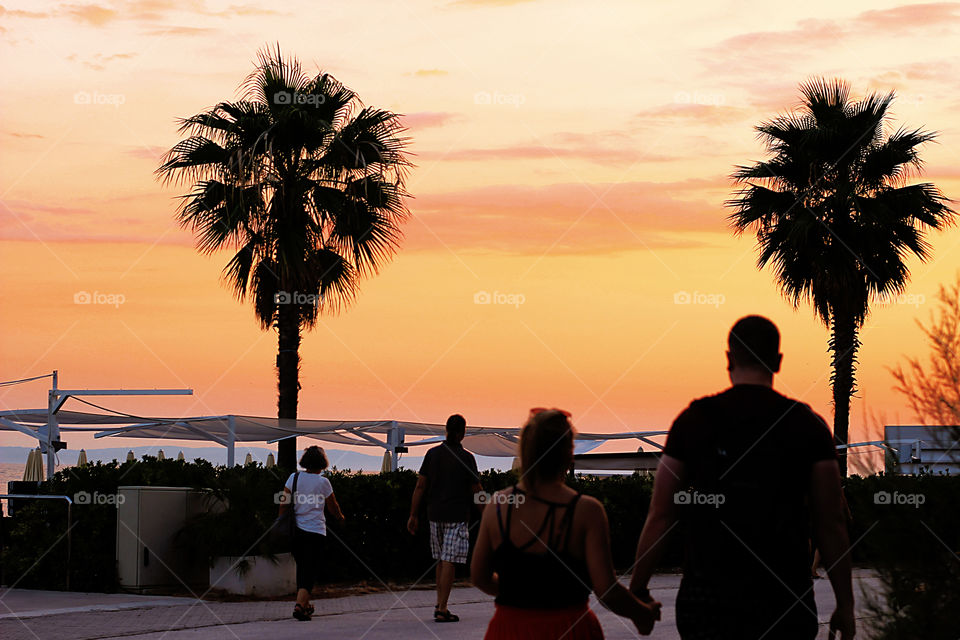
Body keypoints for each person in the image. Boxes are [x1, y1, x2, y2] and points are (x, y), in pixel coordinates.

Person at [628, 315, 855, 640]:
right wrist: (845, 606)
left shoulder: (693, 421)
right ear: (777, 362)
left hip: (707, 603)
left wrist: (637, 590)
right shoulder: (808, 426)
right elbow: (831, 521)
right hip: (784, 603)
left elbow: (661, 514)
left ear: (729, 359)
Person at [472, 408, 661, 639]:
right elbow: (607, 591)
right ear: (569, 455)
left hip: (509, 628)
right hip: (570, 628)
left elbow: (479, 576)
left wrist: (521, 593)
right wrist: (642, 613)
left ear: (525, 453)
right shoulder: (586, 511)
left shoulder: (498, 506)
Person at [407, 414, 482, 622]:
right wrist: (487, 514)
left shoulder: (432, 454)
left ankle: (440, 603)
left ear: (446, 429)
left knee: (441, 559)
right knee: (449, 560)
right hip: (457, 516)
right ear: (462, 432)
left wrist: (413, 514)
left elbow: (420, 486)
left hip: (434, 514)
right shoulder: (467, 458)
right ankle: (442, 608)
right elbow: (477, 490)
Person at [280, 445, 345, 621]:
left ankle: (306, 604)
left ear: (305, 461)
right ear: (322, 463)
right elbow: (333, 506)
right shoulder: (323, 482)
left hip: (296, 532)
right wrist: (340, 517)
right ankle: (300, 606)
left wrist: (281, 523)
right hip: (316, 531)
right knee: (310, 569)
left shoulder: (293, 478)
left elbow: (283, 502)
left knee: (302, 567)